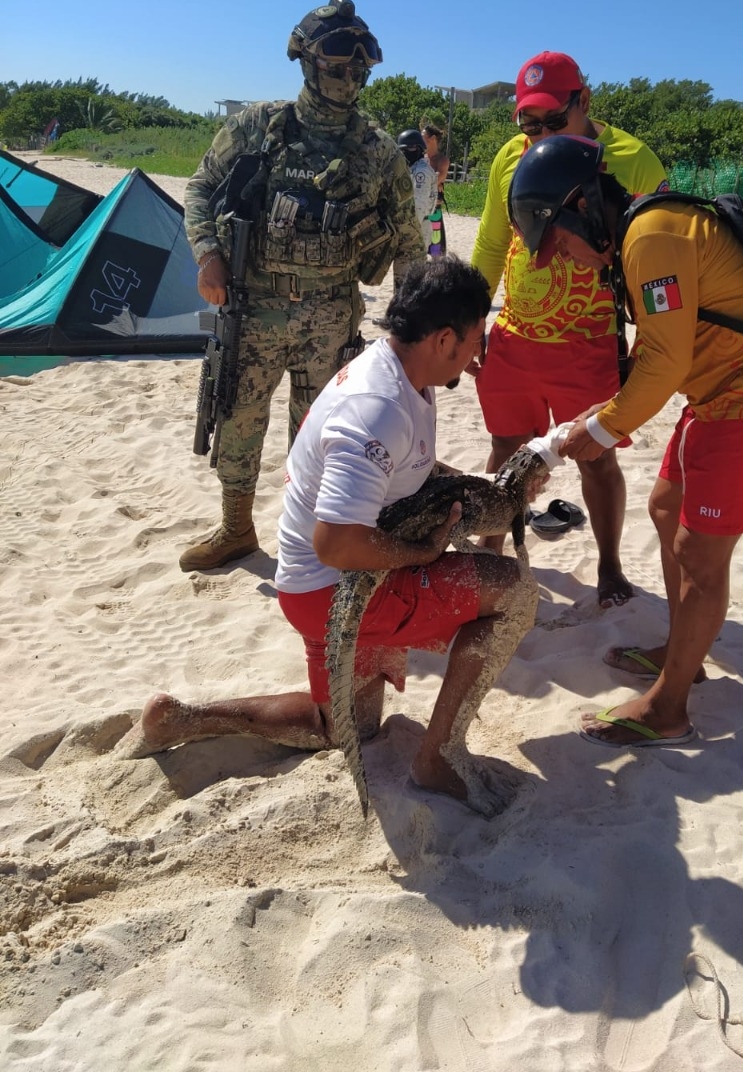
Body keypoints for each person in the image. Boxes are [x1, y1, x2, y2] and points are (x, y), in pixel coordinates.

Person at [123, 259, 539, 817]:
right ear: (443, 339)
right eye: (473, 343)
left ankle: (185, 718)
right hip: (332, 586)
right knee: (514, 592)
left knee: (344, 727)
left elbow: (406, 470)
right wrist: (422, 553)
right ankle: (438, 757)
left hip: (314, 584)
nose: (476, 355)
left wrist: (486, 490)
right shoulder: (378, 409)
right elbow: (337, 544)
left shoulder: (399, 369)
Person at [507, 135, 743, 748]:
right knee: (665, 507)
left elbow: (665, 363)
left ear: (578, 209)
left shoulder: (651, 237)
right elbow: (660, 355)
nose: (570, 260)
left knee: (700, 555)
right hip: (720, 393)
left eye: (565, 245)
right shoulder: (640, 235)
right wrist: (600, 416)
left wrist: (599, 433)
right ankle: (685, 653)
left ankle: (670, 708)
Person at [179, 0, 425, 572]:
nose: (349, 75)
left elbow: (411, 249)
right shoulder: (257, 127)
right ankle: (236, 529)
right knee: (238, 420)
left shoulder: (380, 151)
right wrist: (208, 254)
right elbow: (199, 189)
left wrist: (416, 334)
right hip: (255, 310)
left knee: (324, 439)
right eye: (337, 62)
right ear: (306, 60)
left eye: (359, 65)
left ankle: (312, 545)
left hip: (333, 319)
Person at [470, 51, 668, 608]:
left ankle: (608, 566)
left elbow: (655, 253)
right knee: (506, 449)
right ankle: (491, 554)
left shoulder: (631, 159)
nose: (537, 135)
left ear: (584, 101)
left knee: (595, 456)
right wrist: (470, 320)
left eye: (553, 121)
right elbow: (489, 242)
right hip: (514, 335)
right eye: (528, 123)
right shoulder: (510, 158)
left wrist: (652, 339)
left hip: (587, 342)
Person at [397, 129, 439, 255]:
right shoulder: (414, 168)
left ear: (415, 149)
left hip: (417, 228)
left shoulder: (421, 172)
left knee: (412, 268)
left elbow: (419, 206)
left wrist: (407, 231)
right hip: (415, 225)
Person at [423, 123, 450, 256]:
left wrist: (430, 181)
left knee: (436, 248)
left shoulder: (442, 160)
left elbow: (437, 180)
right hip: (422, 207)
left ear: (432, 139)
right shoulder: (423, 159)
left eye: (423, 137)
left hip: (434, 208)